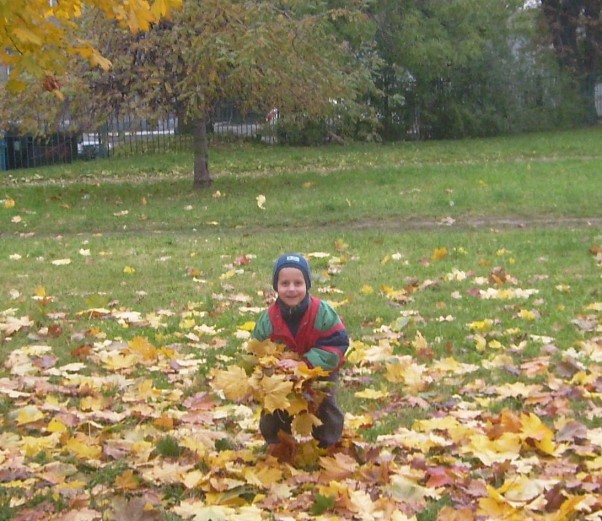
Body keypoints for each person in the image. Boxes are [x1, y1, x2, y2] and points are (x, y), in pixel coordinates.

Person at [252, 253, 349, 448]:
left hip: (319, 373)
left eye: (298, 283)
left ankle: (328, 443)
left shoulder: (322, 313)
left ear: (307, 285)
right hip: (282, 377)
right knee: (274, 408)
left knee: (326, 405)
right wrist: (271, 367)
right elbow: (257, 350)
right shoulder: (268, 319)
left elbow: (337, 343)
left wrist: (306, 364)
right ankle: (277, 442)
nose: (291, 289)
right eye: (285, 283)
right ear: (276, 286)